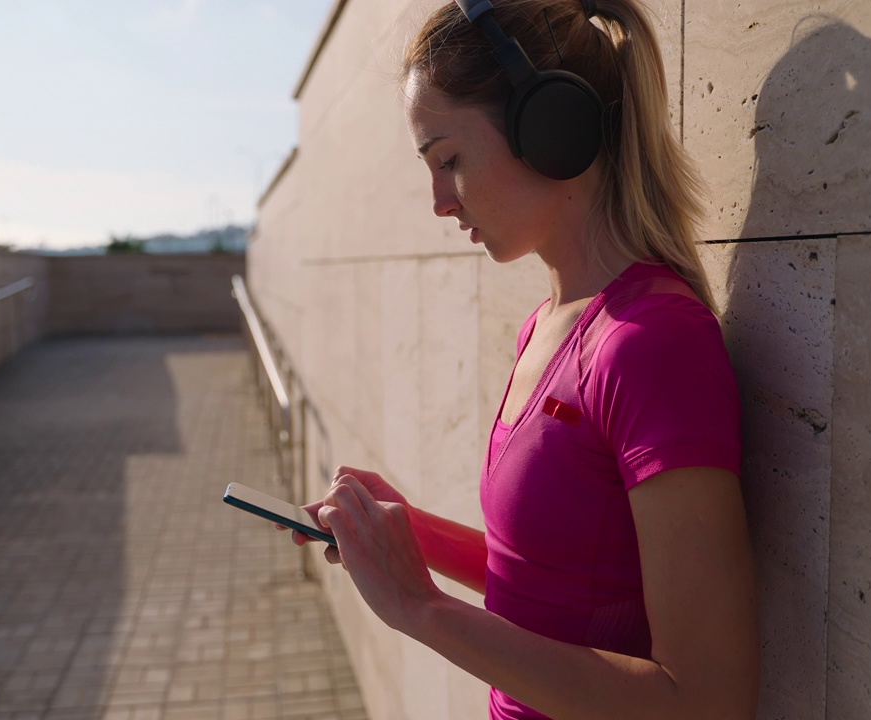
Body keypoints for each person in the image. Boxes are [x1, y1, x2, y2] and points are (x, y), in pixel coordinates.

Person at [286, 1, 759, 717]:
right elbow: (544, 590)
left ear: (550, 128)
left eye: (448, 160)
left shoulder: (654, 342)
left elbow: (704, 700)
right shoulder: (546, 326)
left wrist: (422, 610)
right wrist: (408, 532)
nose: (440, 202)